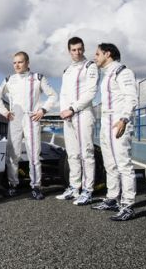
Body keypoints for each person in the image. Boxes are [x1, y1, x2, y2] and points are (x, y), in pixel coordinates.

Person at [0, 51, 57, 200]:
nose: (17, 65)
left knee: (34, 154)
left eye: (20, 62)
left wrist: (43, 110)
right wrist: (4, 111)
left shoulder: (38, 78)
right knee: (12, 154)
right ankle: (13, 185)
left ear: (27, 63)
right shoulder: (9, 79)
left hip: (31, 118)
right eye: (14, 62)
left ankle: (36, 186)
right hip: (15, 118)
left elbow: (53, 95)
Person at [92, 43, 137, 221]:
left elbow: (131, 97)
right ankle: (112, 198)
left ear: (107, 54)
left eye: (97, 54)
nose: (95, 57)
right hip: (106, 122)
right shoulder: (107, 74)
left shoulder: (122, 72)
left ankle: (128, 205)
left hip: (119, 122)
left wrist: (124, 119)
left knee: (123, 164)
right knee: (110, 164)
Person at [56, 37, 99, 205]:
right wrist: (63, 111)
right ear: (69, 51)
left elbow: (91, 92)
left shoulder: (90, 66)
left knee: (86, 153)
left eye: (80, 49)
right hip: (68, 116)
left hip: (83, 113)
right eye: (74, 50)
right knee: (72, 153)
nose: (77, 52)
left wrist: (73, 108)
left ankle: (88, 190)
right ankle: (74, 187)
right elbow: (63, 93)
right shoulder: (67, 70)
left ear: (83, 49)